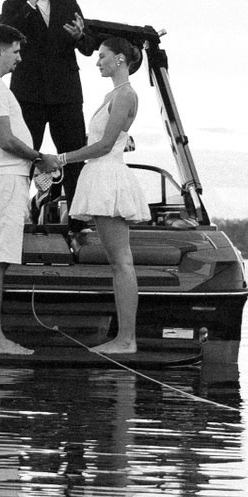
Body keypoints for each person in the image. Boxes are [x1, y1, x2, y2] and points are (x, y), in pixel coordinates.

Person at [54, 36, 150, 355]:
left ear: (120, 59)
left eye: (102, 56)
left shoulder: (125, 94)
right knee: (117, 261)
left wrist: (63, 158)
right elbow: (113, 137)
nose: (97, 62)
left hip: (108, 177)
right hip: (101, 175)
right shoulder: (113, 94)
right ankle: (123, 337)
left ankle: (126, 339)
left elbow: (106, 145)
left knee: (121, 262)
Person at [0, 22, 62, 356]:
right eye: (16, 51)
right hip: (4, 179)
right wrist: (41, 158)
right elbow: (6, 139)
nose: (19, 59)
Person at [0, 0, 98, 194]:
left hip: (66, 95)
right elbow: (7, 36)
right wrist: (31, 4)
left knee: (74, 158)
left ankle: (77, 222)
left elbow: (88, 47)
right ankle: (20, 215)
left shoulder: (68, 3)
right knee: (24, 158)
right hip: (28, 94)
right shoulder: (12, 6)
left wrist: (80, 36)